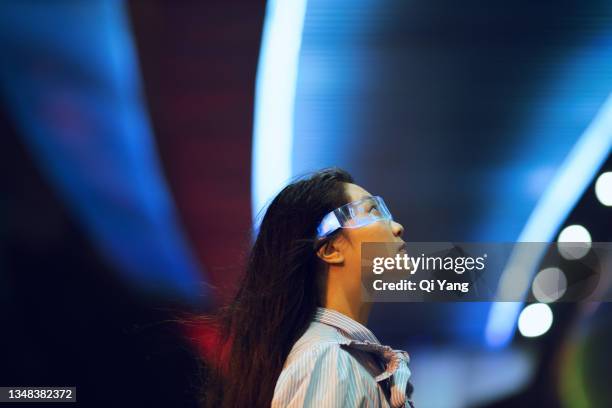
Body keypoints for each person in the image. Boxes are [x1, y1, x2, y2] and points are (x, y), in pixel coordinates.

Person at [202, 168, 414, 407]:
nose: (397, 227)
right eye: (373, 211)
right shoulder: (329, 360)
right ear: (330, 250)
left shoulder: (340, 360)